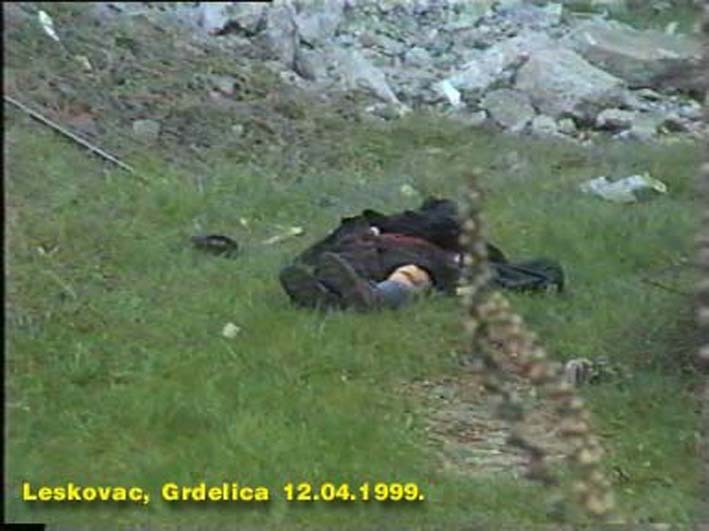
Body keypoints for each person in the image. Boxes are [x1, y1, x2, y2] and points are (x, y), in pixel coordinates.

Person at [279, 197, 563, 311]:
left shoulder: (447, 236)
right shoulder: (384, 225)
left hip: (414, 258)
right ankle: (330, 298)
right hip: (373, 249)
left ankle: (374, 297)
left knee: (411, 271)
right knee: (351, 264)